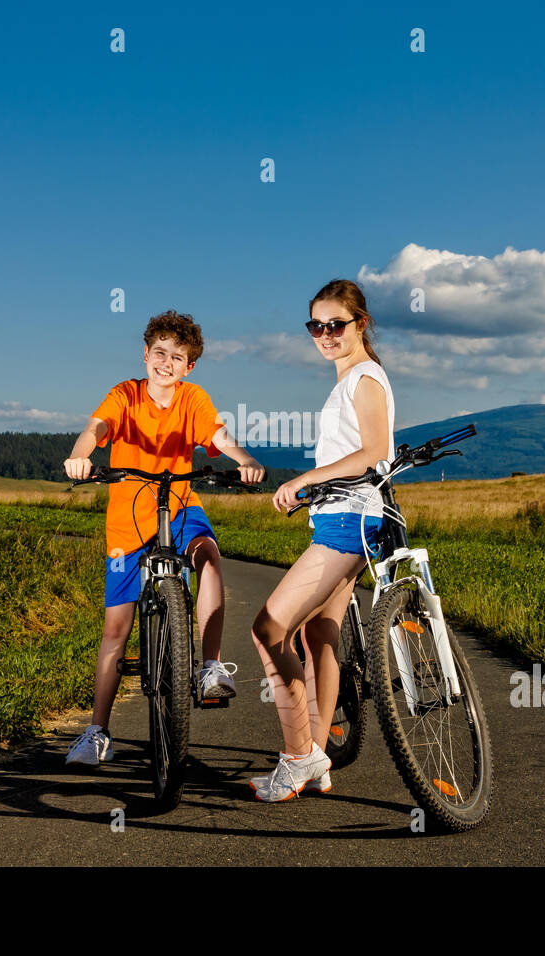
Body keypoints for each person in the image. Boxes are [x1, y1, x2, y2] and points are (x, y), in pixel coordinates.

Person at [62, 310, 264, 766]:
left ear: (189, 366)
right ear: (146, 353)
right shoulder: (125, 394)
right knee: (116, 629)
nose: (166, 363)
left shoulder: (193, 398)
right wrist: (79, 455)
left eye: (178, 357)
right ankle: (97, 731)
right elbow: (96, 429)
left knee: (209, 556)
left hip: (178, 504)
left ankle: (210, 666)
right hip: (128, 519)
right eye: (160, 353)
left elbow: (217, 434)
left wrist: (244, 458)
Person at [249, 279, 395, 801]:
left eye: (337, 324)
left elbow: (375, 451)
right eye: (317, 326)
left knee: (268, 628)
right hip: (342, 516)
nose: (326, 334)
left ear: (361, 324)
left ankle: (298, 756)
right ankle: (318, 759)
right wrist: (316, 491)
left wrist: (304, 480)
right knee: (319, 638)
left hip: (348, 523)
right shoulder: (348, 380)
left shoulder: (363, 377)